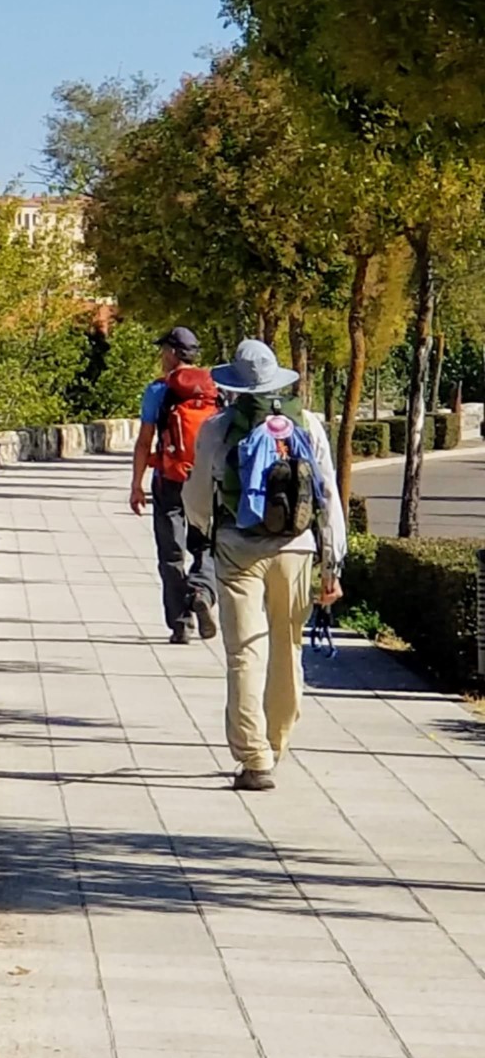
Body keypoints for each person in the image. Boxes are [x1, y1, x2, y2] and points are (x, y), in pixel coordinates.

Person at [182, 339, 347, 791]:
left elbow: (196, 496)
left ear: (235, 384)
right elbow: (327, 496)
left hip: (239, 546)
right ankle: (277, 742)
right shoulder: (307, 424)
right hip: (297, 548)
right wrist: (332, 562)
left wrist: (207, 531)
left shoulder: (218, 428)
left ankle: (254, 758)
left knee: (243, 653)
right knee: (287, 647)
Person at [130, 326, 221, 644]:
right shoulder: (215, 387)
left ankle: (181, 625)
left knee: (171, 554)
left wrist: (136, 485)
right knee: (208, 545)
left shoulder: (159, 390)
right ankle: (202, 591)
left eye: (163, 350)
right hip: (207, 481)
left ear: (171, 352)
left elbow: (144, 442)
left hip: (169, 479)